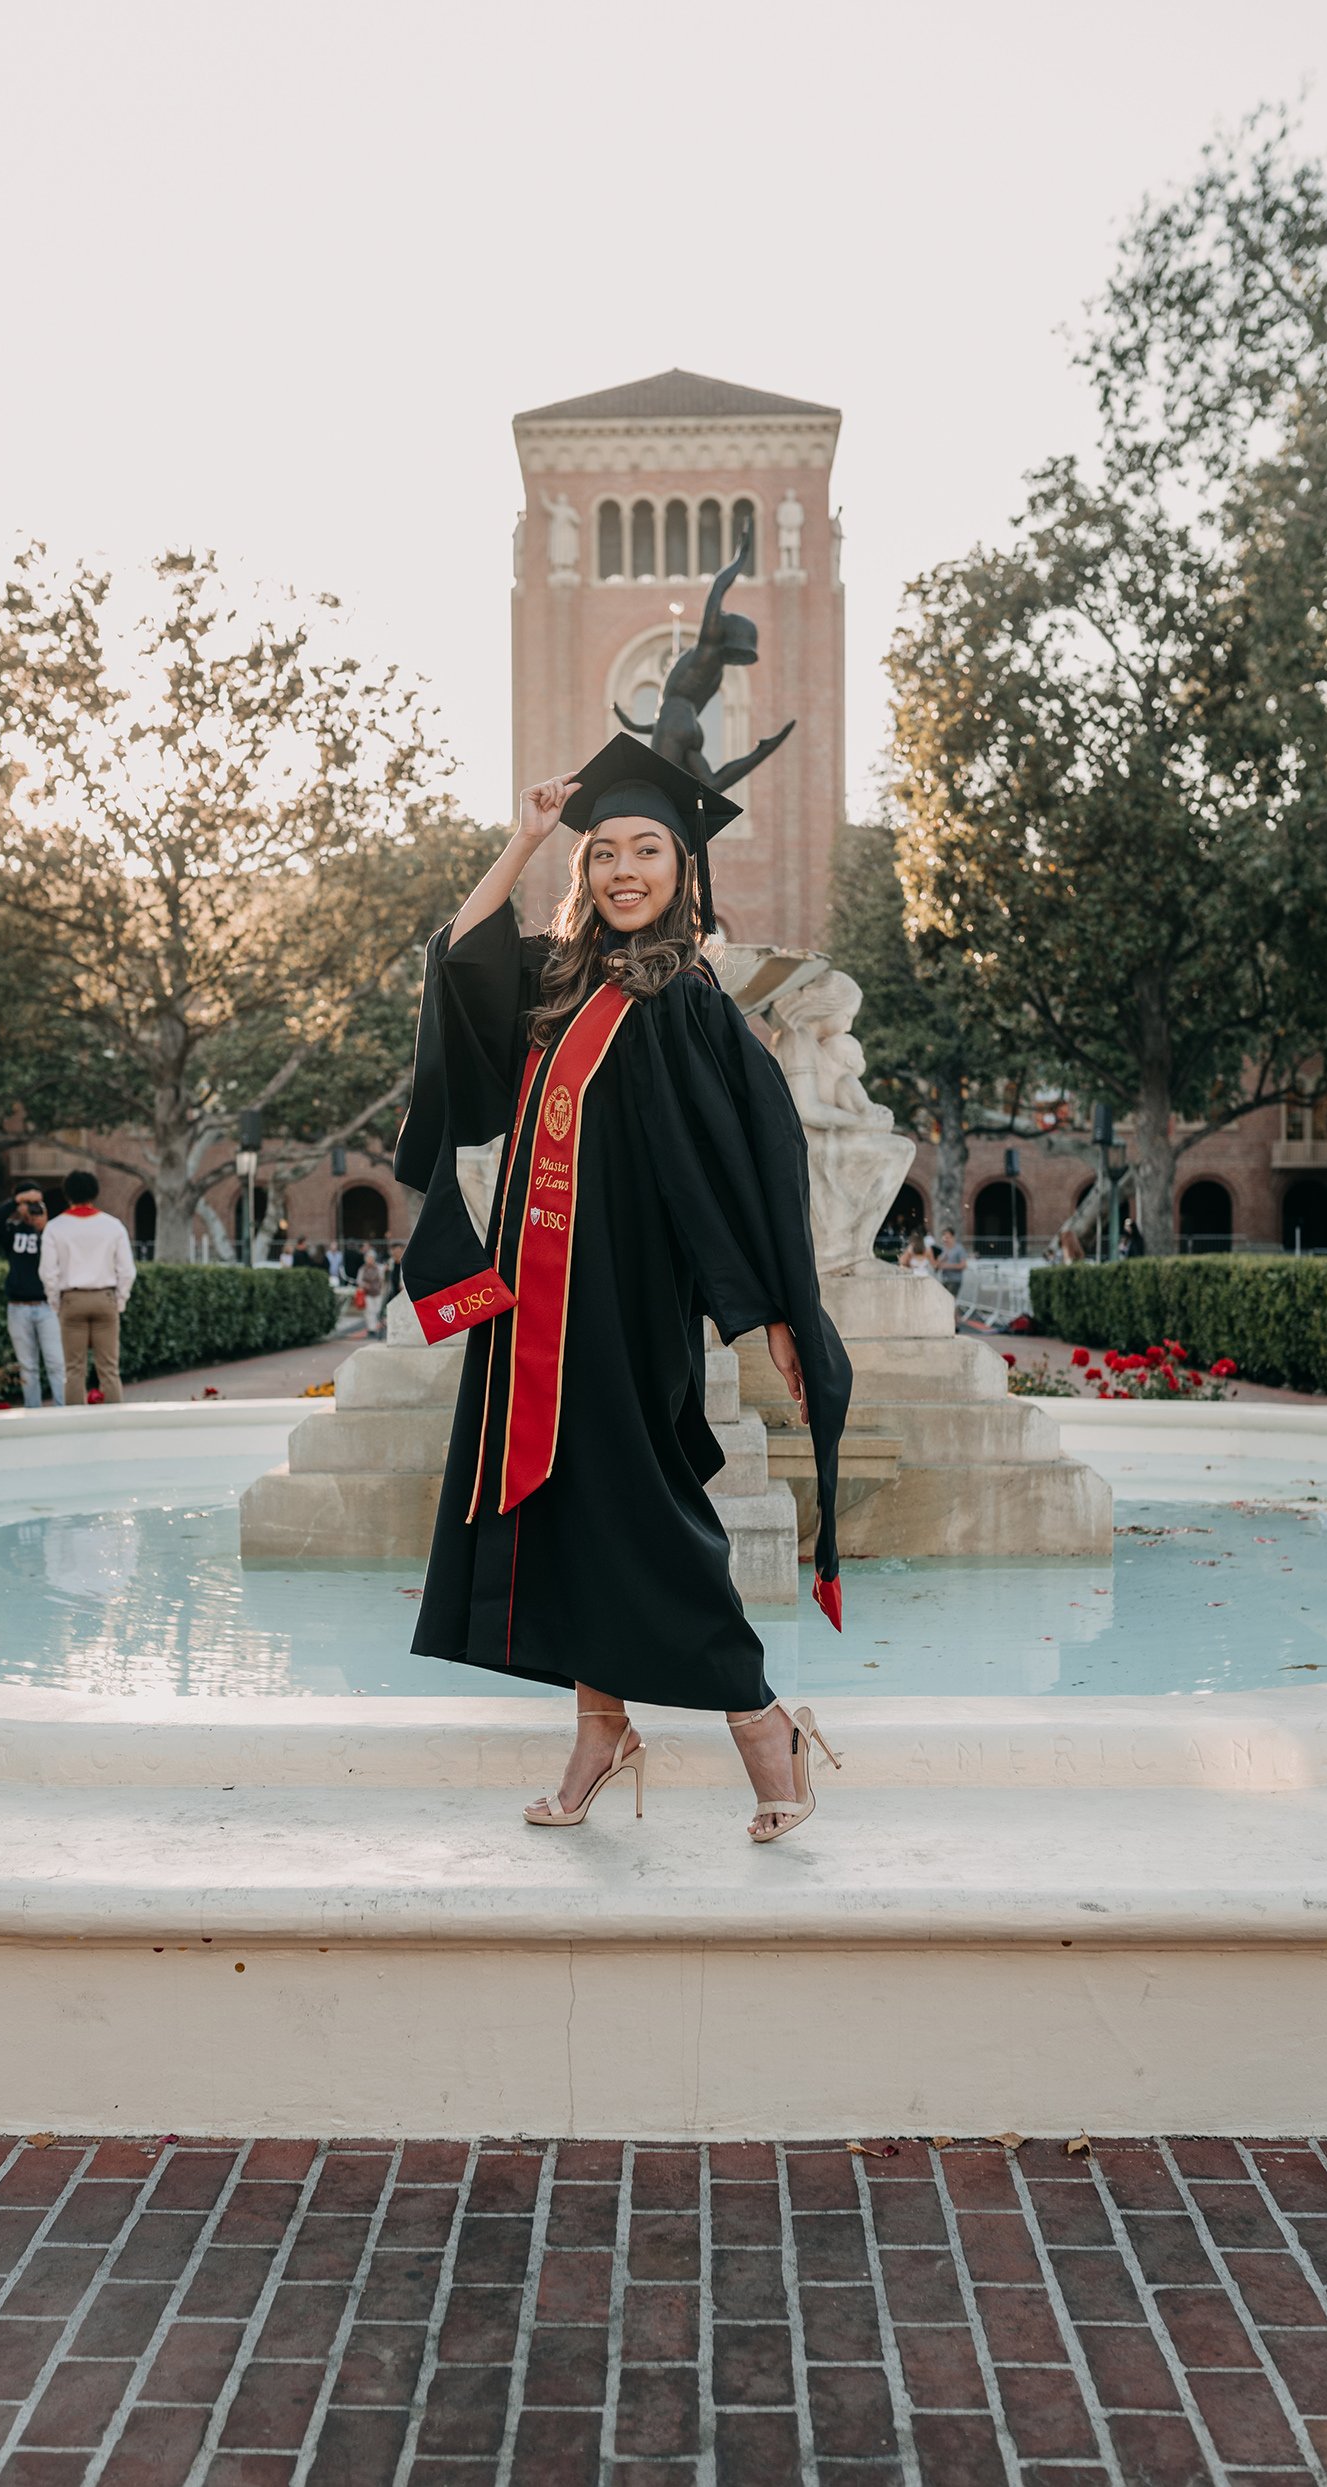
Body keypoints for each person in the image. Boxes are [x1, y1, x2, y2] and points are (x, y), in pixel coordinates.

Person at [394, 731, 852, 1843]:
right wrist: (524, 836)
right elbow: (456, 962)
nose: (624, 872)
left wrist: (773, 1311)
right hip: (532, 1301)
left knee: (644, 1518)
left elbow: (747, 1166)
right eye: (603, 854)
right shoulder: (559, 986)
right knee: (557, 1515)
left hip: (621, 1303)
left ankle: (762, 1722)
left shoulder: (686, 999)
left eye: (647, 850)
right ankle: (604, 1732)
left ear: (683, 871)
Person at [40, 1171, 136, 1405]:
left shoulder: (55, 1227)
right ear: (95, 1192)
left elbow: (47, 1272)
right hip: (105, 1298)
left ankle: (76, 1427)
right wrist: (119, 1301)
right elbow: (127, 1270)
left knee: (74, 1370)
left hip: (72, 1300)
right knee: (109, 1370)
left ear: (67, 1194)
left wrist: (56, 1302)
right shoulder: (113, 1226)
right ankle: (114, 1422)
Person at [0, 1186, 67, 1407]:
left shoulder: (50, 1234)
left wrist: (43, 1228)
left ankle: (62, 1409)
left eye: (37, 1204)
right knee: (28, 1366)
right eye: (29, 1204)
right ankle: (33, 1411)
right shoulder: (12, 1232)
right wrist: (16, 1202)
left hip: (47, 1306)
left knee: (55, 1362)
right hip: (18, 1306)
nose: (33, 1210)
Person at [358, 1245, 386, 1336]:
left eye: (371, 1258)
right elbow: (359, 1280)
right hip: (367, 1293)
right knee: (369, 1311)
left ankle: (379, 1326)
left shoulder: (379, 1268)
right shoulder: (362, 1269)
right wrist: (364, 1285)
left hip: (378, 1292)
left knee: (377, 1310)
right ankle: (371, 1329)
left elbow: (383, 1278)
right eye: (368, 1258)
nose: (370, 1260)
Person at [932, 1227, 968, 1295]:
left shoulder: (959, 1248)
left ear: (953, 1237)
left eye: (947, 1237)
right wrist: (939, 1263)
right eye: (944, 1237)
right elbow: (937, 1265)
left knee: (949, 1302)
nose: (945, 1239)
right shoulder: (944, 1249)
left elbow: (964, 1265)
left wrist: (948, 1266)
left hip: (954, 1280)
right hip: (944, 1279)